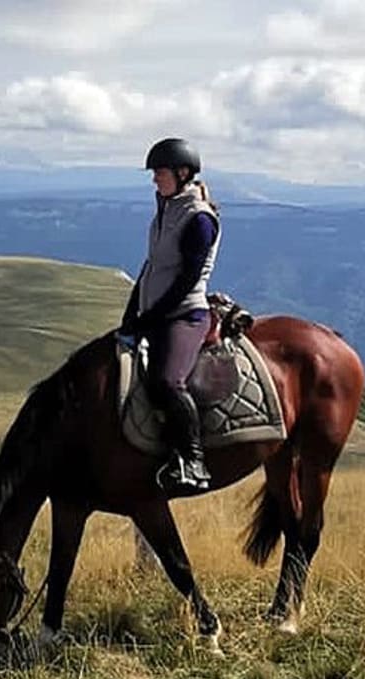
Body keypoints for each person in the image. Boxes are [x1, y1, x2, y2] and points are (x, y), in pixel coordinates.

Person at [116, 138, 221, 496]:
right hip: (156, 313)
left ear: (182, 173)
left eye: (159, 173)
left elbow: (186, 280)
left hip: (186, 316)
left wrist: (153, 318)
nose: (154, 180)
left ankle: (194, 460)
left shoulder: (199, 219)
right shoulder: (166, 209)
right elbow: (151, 268)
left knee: (167, 380)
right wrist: (131, 317)